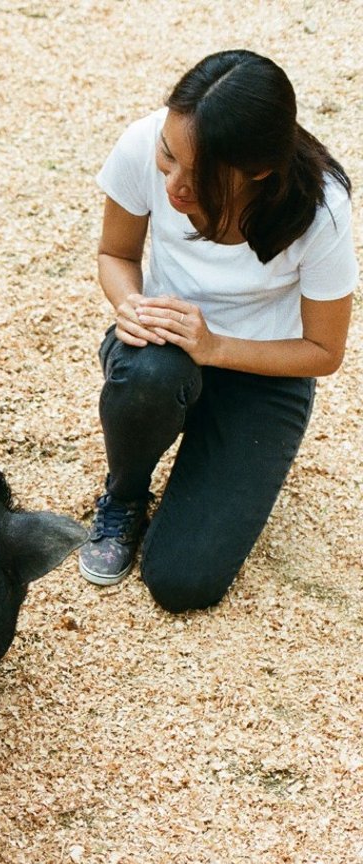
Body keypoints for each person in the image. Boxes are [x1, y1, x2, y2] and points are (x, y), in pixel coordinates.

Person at [79, 49, 357, 607]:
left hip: (264, 372)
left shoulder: (321, 209)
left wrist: (216, 347)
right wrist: (131, 304)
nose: (175, 184)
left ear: (259, 170)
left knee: (182, 582)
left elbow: (324, 351)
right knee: (149, 374)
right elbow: (116, 254)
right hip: (164, 350)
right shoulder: (142, 143)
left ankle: (219, 455)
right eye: (168, 156)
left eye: (200, 174)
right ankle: (124, 496)